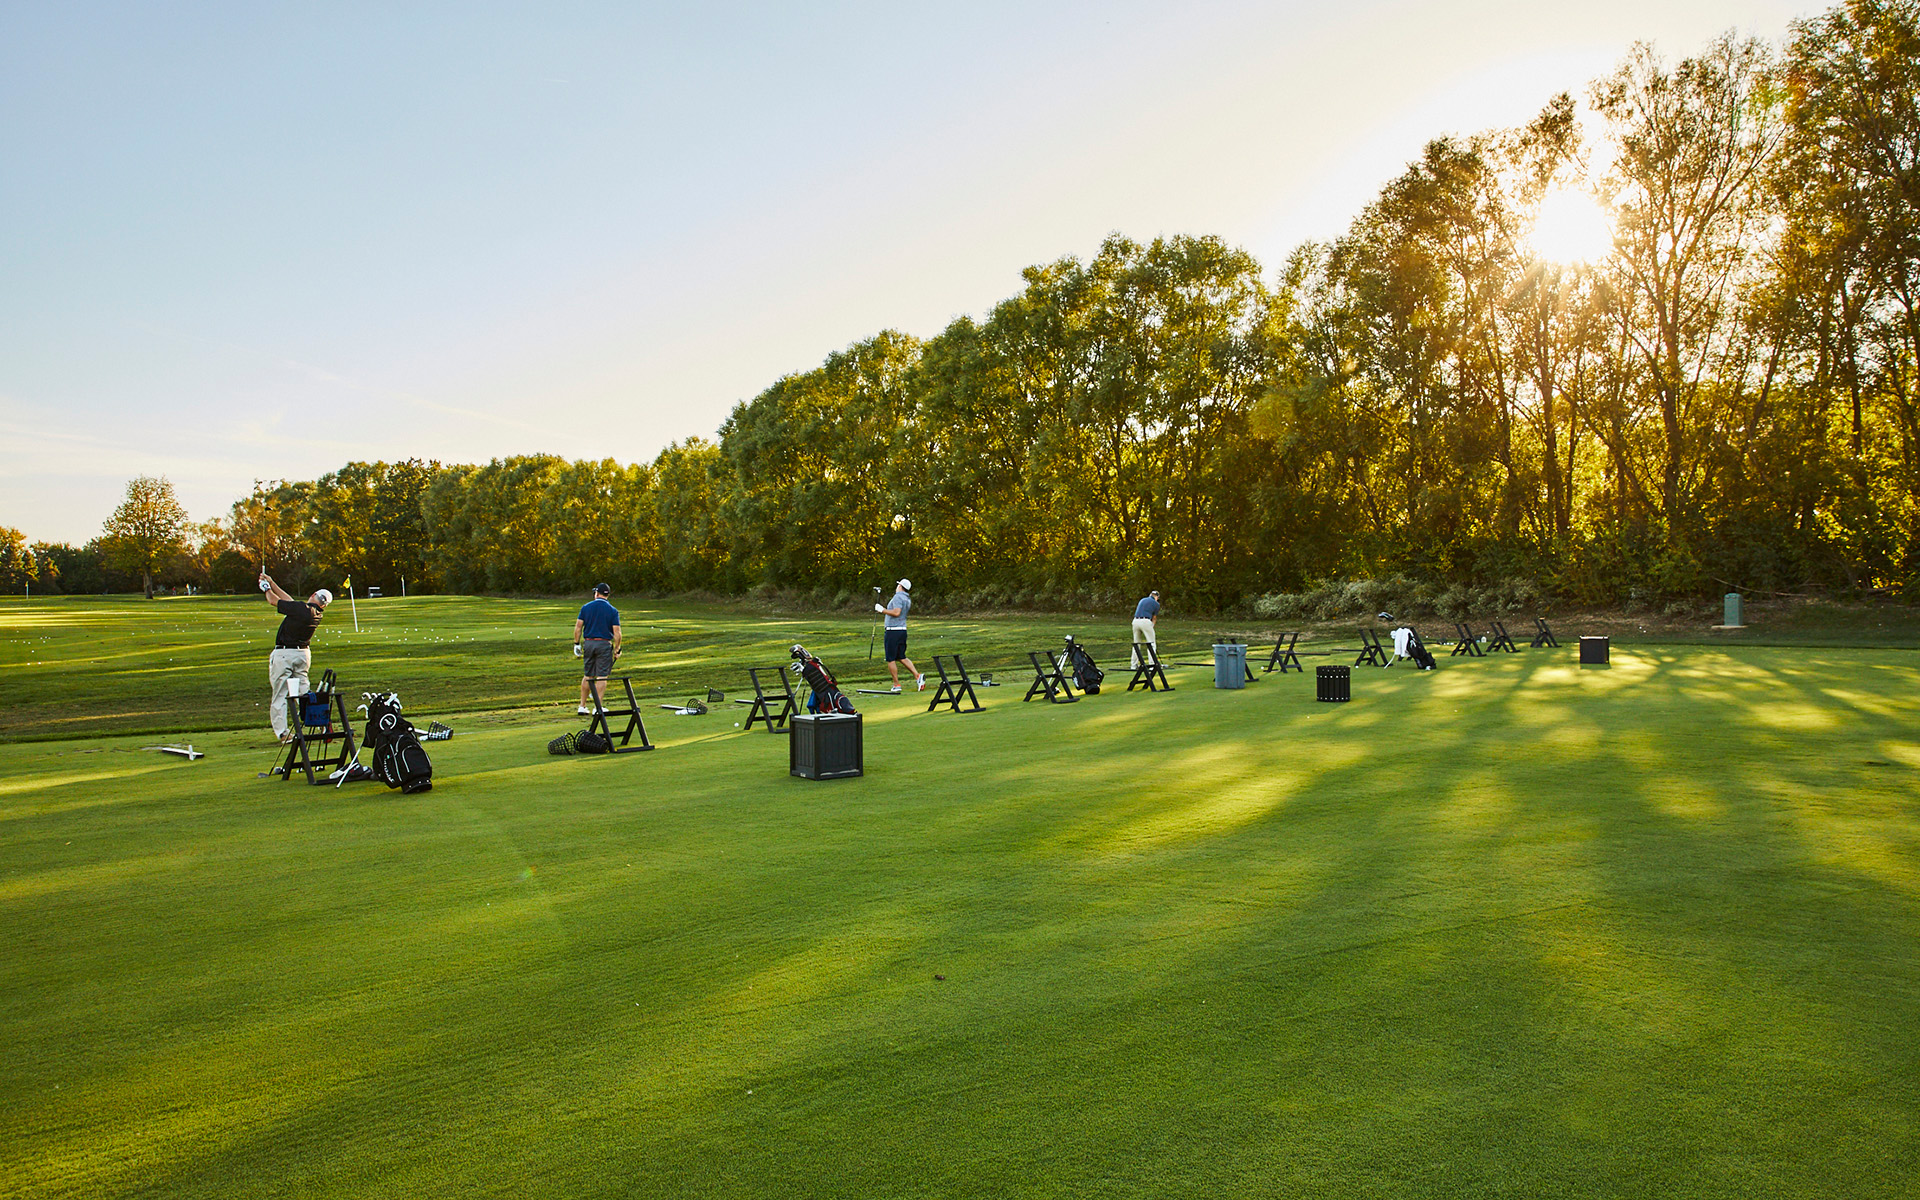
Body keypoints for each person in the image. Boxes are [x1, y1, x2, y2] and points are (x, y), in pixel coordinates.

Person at [259, 572, 332, 743]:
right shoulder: (315, 613)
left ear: (313, 595)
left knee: (280, 694)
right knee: (304, 693)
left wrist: (266, 588)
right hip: (302, 655)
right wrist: (272, 582)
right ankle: (322, 723)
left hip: (285, 654)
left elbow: (273, 601)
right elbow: (290, 602)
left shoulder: (301, 609)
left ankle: (283, 733)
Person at [573, 583, 622, 714]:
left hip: (589, 643)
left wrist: (576, 644)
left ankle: (582, 706)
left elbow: (578, 627)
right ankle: (598, 707)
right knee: (602, 676)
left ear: (597, 593)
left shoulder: (586, 607)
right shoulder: (612, 610)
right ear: (608, 595)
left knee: (588, 675)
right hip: (604, 644)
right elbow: (617, 633)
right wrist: (617, 649)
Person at [875, 578, 923, 692]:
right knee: (901, 656)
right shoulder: (907, 598)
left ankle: (896, 685)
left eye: (898, 585)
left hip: (893, 631)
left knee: (890, 658)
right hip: (902, 630)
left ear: (900, 586)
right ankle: (918, 676)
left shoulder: (898, 597)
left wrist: (882, 610)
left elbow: (896, 612)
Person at [1131, 589, 1161, 668]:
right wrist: (1152, 626)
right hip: (1145, 621)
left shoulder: (1142, 600)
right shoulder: (1156, 604)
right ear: (1157, 597)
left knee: (1136, 644)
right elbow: (1154, 618)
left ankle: (1133, 665)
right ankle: (1152, 665)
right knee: (1151, 643)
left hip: (1135, 621)